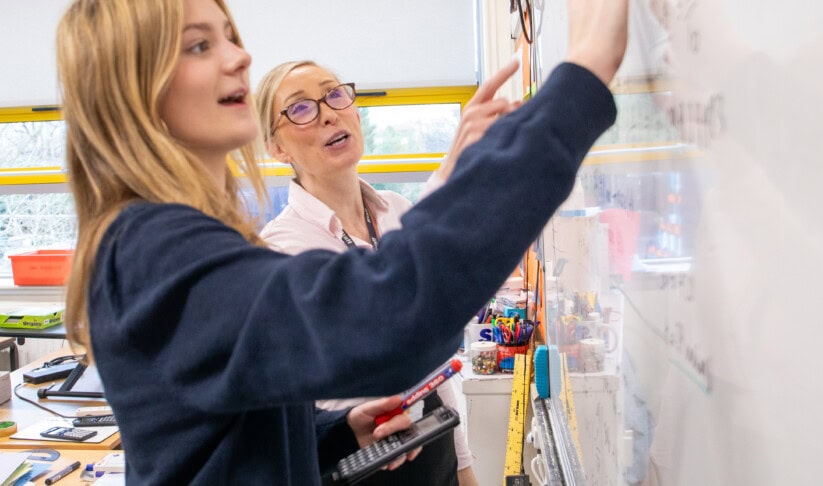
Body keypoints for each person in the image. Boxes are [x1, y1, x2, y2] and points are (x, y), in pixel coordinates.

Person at [56, 0, 628, 483]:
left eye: (230, 35)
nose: (241, 55)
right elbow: (393, 316)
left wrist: (334, 435)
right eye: (200, 46)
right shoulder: (154, 250)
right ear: (132, 91)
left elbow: (230, 436)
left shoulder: (177, 237)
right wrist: (578, 83)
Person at [254, 58, 521, 486]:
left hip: (435, 448)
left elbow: (432, 363)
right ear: (277, 149)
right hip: (363, 465)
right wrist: (452, 174)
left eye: (334, 94)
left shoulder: (396, 209)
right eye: (300, 109)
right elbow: (388, 330)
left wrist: (465, 469)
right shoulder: (281, 248)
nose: (327, 112)